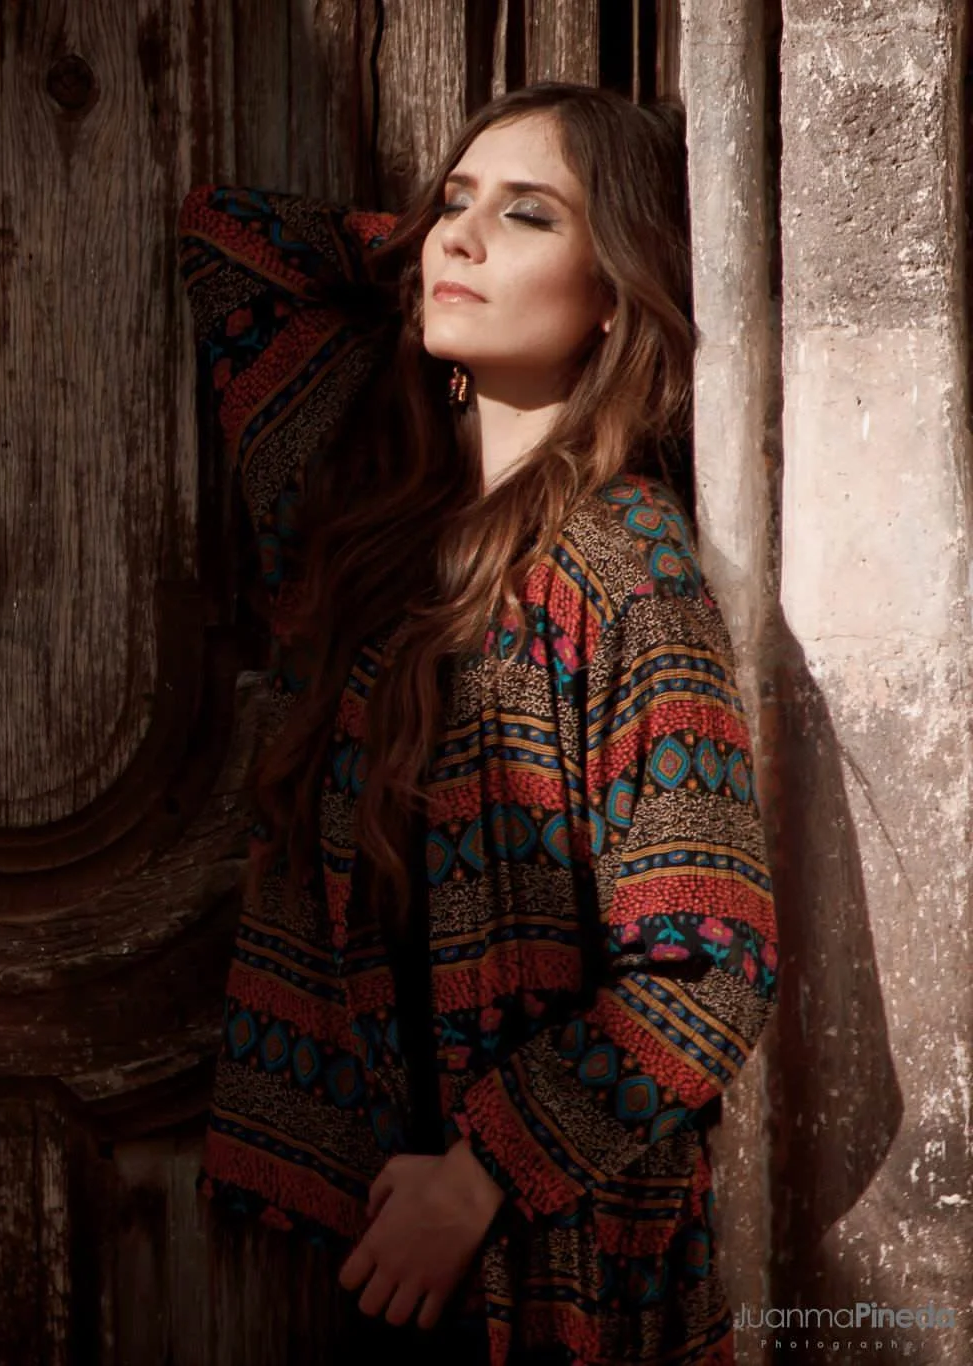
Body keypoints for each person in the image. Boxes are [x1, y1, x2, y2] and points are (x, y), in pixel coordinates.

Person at [178, 83, 777, 1365]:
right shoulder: (362, 512)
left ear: (614, 290)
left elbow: (709, 971)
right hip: (354, 1221)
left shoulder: (625, 575)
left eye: (525, 217)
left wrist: (481, 1173)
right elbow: (226, 241)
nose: (456, 237)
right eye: (451, 203)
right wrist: (426, 250)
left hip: (551, 1263)